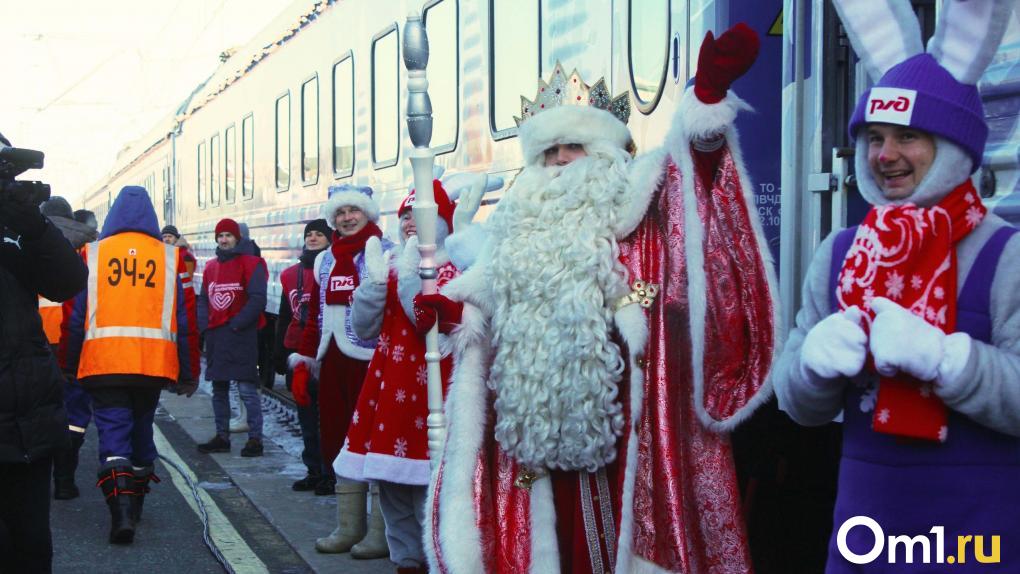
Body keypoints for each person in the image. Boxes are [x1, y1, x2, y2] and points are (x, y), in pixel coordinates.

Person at [420, 25, 779, 573]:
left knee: (613, 544)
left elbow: (699, 189)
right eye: (550, 151)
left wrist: (704, 108)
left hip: (626, 423)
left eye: (575, 146)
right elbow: (487, 292)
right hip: (534, 433)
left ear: (607, 150)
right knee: (551, 545)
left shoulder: (643, 207)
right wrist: (455, 311)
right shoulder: (519, 224)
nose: (562, 160)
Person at [774, 0, 1018, 571]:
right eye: (874, 137)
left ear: (955, 146)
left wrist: (948, 361)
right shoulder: (839, 254)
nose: (886, 156)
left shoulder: (1006, 255)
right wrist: (810, 366)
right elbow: (796, 405)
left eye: (908, 136)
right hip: (870, 530)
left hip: (979, 538)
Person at [335, 178, 485, 573]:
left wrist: (406, 276)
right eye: (404, 216)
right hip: (391, 387)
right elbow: (364, 327)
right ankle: (406, 559)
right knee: (393, 481)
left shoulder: (457, 265)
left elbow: (430, 322)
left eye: (419, 214)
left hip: (440, 389)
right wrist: (370, 286)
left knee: (435, 480)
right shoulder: (388, 266)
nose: (410, 223)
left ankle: (438, 556)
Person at [62, 185, 198, 545]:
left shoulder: (91, 255)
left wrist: (69, 363)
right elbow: (186, 322)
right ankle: (136, 504)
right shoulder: (171, 258)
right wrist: (188, 373)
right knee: (141, 430)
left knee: (113, 436)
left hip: (103, 365)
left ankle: (121, 515)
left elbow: (75, 319)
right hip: (153, 367)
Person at [0, 130, 88, 571]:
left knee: (30, 547)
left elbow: (67, 282)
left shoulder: (15, 230)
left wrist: (34, 226)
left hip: (26, 425)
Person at [290, 184, 393, 556]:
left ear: (369, 213)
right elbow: (314, 313)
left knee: (375, 440)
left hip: (373, 361)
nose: (347, 218)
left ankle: (382, 533)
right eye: (340, 213)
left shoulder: (385, 252)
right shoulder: (325, 259)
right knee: (338, 436)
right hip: (332, 358)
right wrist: (304, 361)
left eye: (354, 211)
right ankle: (349, 526)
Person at [37, 196, 98, 501]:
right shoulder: (88, 249)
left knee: (36, 412)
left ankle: (34, 480)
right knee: (73, 415)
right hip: (75, 342)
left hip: (35, 343)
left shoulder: (29, 242)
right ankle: (64, 480)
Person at [196, 218, 268, 457]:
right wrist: (206, 325)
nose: (224, 240)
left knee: (247, 389)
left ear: (237, 237)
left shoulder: (253, 263)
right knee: (219, 388)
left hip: (241, 335)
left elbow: (257, 298)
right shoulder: (210, 267)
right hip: (217, 335)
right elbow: (205, 298)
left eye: (228, 235)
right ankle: (222, 436)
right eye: (220, 236)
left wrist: (237, 324)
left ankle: (255, 438)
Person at [273, 218, 333, 493]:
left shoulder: (334, 269)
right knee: (306, 416)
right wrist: (280, 352)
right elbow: (285, 316)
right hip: (300, 354)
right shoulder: (289, 275)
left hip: (329, 353)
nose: (313, 238)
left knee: (330, 418)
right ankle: (313, 469)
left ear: (329, 239)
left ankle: (331, 473)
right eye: (310, 234)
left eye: (319, 234)